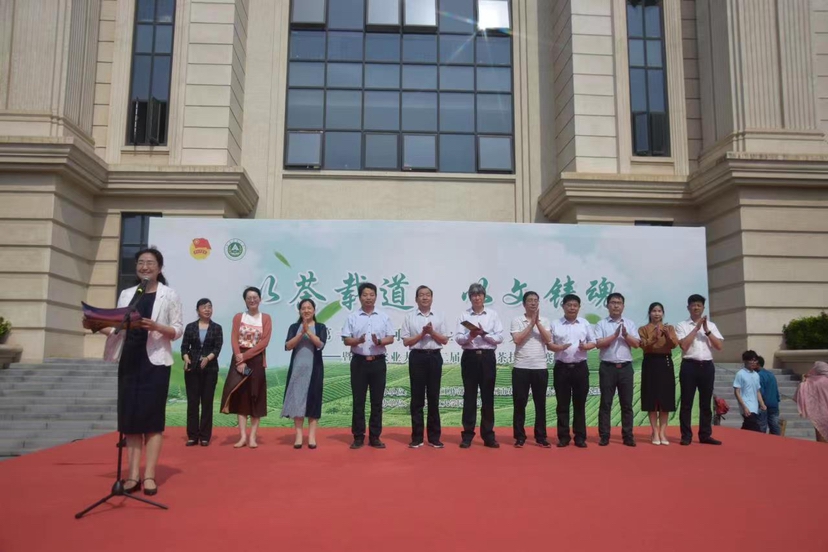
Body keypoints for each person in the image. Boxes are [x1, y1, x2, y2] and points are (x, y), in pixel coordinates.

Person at [84, 247, 183, 496]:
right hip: (129, 359)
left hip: (155, 363)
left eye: (150, 262)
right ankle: (132, 476)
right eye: (140, 262)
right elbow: (118, 329)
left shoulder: (169, 294)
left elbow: (177, 329)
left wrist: (157, 326)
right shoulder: (128, 294)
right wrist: (96, 324)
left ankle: (149, 475)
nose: (145, 266)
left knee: (152, 421)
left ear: (159, 268)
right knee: (130, 421)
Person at [341, 283, 396, 449]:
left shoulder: (383, 317)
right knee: (359, 401)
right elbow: (346, 340)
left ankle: (375, 437)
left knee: (377, 401)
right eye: (365, 295)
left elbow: (391, 338)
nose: (368, 298)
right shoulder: (353, 317)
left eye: (371, 294)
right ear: (360, 297)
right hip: (359, 362)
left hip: (378, 362)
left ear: (376, 297)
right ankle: (358, 437)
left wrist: (379, 341)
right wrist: (357, 340)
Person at [220, 287, 272, 449]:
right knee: (241, 398)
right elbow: (234, 338)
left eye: (255, 297)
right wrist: (239, 358)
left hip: (256, 360)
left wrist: (246, 356)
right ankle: (242, 436)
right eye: (249, 297)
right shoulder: (239, 317)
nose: (252, 300)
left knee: (255, 396)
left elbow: (264, 342)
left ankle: (253, 437)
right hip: (239, 359)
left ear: (260, 299)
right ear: (245, 300)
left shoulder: (266, 318)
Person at [455, 282, 504, 449]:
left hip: (487, 357)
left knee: (487, 397)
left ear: (484, 297)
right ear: (470, 298)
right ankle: (467, 435)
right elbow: (458, 338)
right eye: (474, 295)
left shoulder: (492, 315)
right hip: (470, 357)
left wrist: (484, 334)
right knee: (469, 396)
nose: (477, 298)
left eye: (479, 295)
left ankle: (488, 435)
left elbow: (499, 338)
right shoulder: (464, 315)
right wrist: (470, 335)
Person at [400, 285, 449, 449]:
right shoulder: (409, 317)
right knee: (417, 398)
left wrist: (431, 332)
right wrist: (422, 334)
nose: (425, 297)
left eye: (428, 295)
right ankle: (417, 437)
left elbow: (444, 340)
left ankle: (434, 438)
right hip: (417, 357)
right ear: (416, 299)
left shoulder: (440, 316)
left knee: (434, 398)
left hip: (434, 357)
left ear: (432, 298)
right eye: (421, 295)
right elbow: (406, 341)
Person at [675, 294, 724, 446]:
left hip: (707, 366)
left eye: (699, 305)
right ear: (688, 307)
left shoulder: (712, 325)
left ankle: (705, 435)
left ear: (703, 308)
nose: (696, 308)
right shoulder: (682, 325)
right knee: (687, 402)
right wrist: (696, 328)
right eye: (693, 305)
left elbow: (719, 346)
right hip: (689, 366)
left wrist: (707, 330)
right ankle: (686, 435)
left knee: (705, 403)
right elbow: (684, 346)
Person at [548, 294, 596, 448]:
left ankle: (580, 437)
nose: (572, 308)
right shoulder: (555, 324)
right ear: (563, 306)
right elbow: (549, 344)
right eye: (569, 305)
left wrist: (585, 346)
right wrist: (559, 347)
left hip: (580, 368)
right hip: (561, 368)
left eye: (575, 305)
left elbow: (593, 342)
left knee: (579, 404)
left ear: (579, 307)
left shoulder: (584, 323)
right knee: (562, 404)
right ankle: (563, 437)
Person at [593, 292, 640, 447]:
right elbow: (599, 344)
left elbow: (636, 344)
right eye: (613, 303)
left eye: (619, 303)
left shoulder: (630, 324)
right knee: (606, 403)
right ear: (607, 305)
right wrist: (614, 336)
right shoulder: (601, 324)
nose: (616, 305)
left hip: (625, 368)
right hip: (608, 367)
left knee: (626, 404)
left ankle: (628, 436)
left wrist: (625, 335)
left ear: (623, 306)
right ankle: (604, 436)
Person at [510, 291, 553, 448]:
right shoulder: (517, 320)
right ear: (524, 304)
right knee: (519, 403)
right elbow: (517, 339)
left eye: (536, 300)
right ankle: (519, 436)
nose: (533, 303)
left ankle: (540, 437)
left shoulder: (545, 320)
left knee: (540, 403)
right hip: (521, 367)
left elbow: (548, 339)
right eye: (530, 300)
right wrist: (530, 324)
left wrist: (538, 323)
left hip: (540, 367)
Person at [282, 299, 327, 449]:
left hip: (314, 370)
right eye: (303, 308)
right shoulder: (294, 327)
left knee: (314, 401)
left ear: (314, 310)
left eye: (309, 308)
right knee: (297, 401)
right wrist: (301, 332)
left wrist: (308, 331)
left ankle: (312, 437)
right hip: (297, 370)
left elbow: (320, 344)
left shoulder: (320, 327)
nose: (306, 310)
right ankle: (299, 436)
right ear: (299, 311)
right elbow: (288, 346)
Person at [180, 298, 223, 446]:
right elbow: (184, 347)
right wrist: (186, 358)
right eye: (204, 307)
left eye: (210, 307)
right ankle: (192, 436)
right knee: (193, 403)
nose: (207, 309)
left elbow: (217, 347)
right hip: (192, 369)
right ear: (197, 310)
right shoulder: (190, 327)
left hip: (210, 370)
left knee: (207, 402)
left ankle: (205, 436)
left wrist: (208, 358)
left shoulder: (217, 328)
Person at [638, 302, 679, 445]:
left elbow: (674, 345)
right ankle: (654, 432)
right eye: (654, 311)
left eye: (659, 311)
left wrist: (667, 335)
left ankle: (662, 432)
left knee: (665, 399)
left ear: (663, 313)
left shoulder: (669, 328)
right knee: (651, 398)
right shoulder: (643, 329)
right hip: (650, 362)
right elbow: (642, 345)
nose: (657, 313)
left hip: (665, 362)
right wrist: (654, 338)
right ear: (649, 313)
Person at [794, 361, 828, 443]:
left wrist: (804, 380)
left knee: (822, 438)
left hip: (820, 414)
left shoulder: (813, 382)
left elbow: (801, 391)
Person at [733, 350, 766, 431]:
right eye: (751, 360)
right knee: (755, 427)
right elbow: (737, 391)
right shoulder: (740, 374)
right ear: (745, 361)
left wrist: (762, 403)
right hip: (746, 405)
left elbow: (757, 391)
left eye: (755, 360)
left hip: (754, 406)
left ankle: (738, 436)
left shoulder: (756, 375)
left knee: (748, 427)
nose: (753, 362)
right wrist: (743, 406)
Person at [756, 356, 781, 435]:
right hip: (774, 404)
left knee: (762, 427)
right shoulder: (771, 375)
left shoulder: (758, 376)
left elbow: (760, 391)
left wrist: (760, 403)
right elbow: (776, 390)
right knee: (775, 427)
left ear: (758, 364)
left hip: (764, 405)